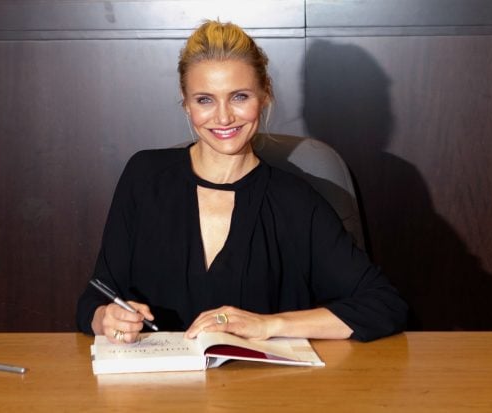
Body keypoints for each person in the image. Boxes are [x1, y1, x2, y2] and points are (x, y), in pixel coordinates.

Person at [76, 20, 407, 344]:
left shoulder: (295, 201)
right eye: (204, 99)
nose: (223, 117)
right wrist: (107, 317)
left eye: (239, 97)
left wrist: (268, 325)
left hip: (262, 393)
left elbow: (383, 305)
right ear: (186, 101)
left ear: (264, 95)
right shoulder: (144, 176)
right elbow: (95, 298)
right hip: (157, 391)